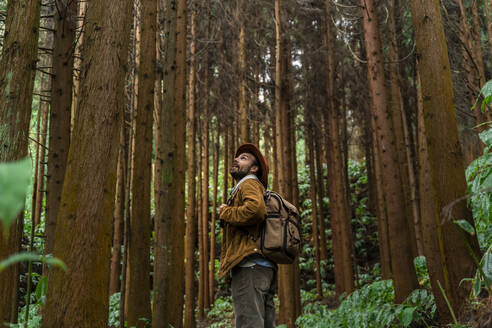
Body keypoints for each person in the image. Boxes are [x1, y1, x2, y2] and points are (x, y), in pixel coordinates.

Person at [218, 143, 277, 328]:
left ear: (254, 168)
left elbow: (256, 211)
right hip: (262, 267)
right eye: (237, 157)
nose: (236, 159)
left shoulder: (249, 182)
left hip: (249, 267)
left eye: (243, 158)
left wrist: (226, 212)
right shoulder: (253, 186)